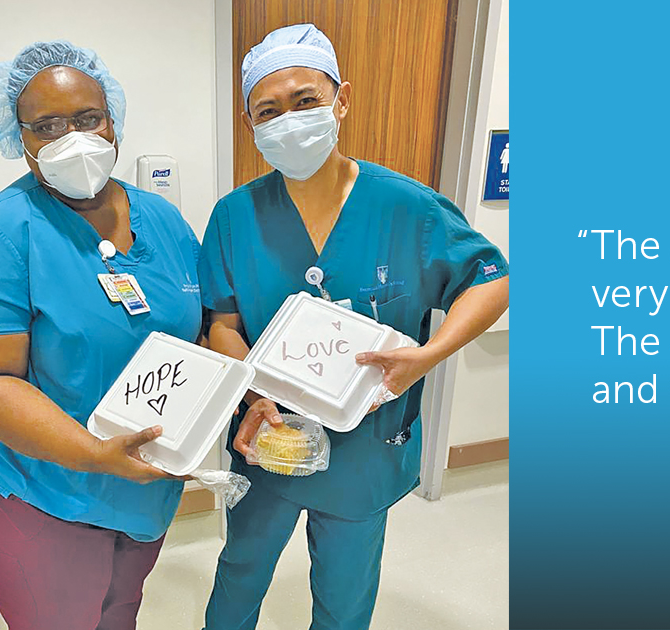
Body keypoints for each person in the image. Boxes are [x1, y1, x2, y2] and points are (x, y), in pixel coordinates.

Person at [199, 24, 510, 630]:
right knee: (241, 572)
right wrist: (254, 395)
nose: (287, 119)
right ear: (251, 125)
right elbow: (222, 322)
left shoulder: (407, 207)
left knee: (345, 597)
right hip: (267, 436)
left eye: (305, 100)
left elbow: (491, 278)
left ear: (341, 99)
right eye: (268, 110)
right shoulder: (235, 216)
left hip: (365, 449)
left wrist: (429, 353)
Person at [0, 41, 203, 630]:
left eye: (87, 119)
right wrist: (92, 453)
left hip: (143, 485)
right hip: (40, 490)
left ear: (114, 121)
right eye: (46, 126)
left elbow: (199, 334)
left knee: (117, 615)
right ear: (20, 139)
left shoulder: (163, 219)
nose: (72, 138)